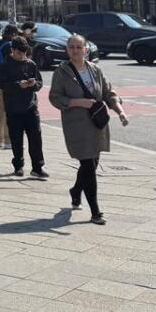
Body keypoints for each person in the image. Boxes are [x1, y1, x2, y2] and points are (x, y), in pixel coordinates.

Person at [48, 33, 128, 224]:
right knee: (88, 166)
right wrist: (77, 102)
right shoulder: (62, 72)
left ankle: (76, 191)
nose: (75, 50)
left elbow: (109, 93)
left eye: (78, 47)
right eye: (71, 47)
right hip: (76, 126)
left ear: (86, 49)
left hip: (97, 124)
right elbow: (55, 97)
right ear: (67, 50)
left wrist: (120, 111)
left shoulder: (95, 70)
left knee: (91, 164)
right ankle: (95, 211)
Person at [0, 37, 47, 178]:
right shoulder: (5, 65)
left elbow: (39, 83)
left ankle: (37, 167)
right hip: (13, 108)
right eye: (19, 53)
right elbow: (1, 84)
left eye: (24, 53)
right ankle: (18, 166)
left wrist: (33, 84)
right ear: (12, 50)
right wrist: (17, 85)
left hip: (31, 107)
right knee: (16, 139)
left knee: (36, 138)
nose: (22, 56)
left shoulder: (31, 64)